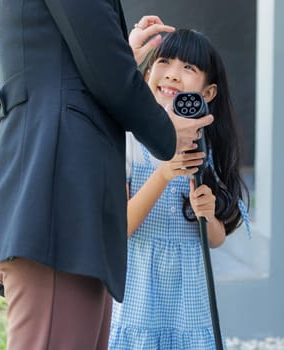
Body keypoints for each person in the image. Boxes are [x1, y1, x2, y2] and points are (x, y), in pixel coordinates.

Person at [0, 0, 212, 348]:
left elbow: (63, 70)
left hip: (58, 208)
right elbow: (105, 77)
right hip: (61, 211)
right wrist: (169, 132)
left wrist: (121, 55)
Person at [108, 29, 251, 349]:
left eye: (189, 68)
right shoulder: (129, 141)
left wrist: (208, 215)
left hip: (189, 296)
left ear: (209, 92)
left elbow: (215, 238)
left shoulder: (205, 148)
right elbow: (122, 227)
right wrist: (163, 174)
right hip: (139, 293)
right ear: (147, 74)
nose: (173, 74)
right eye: (165, 62)